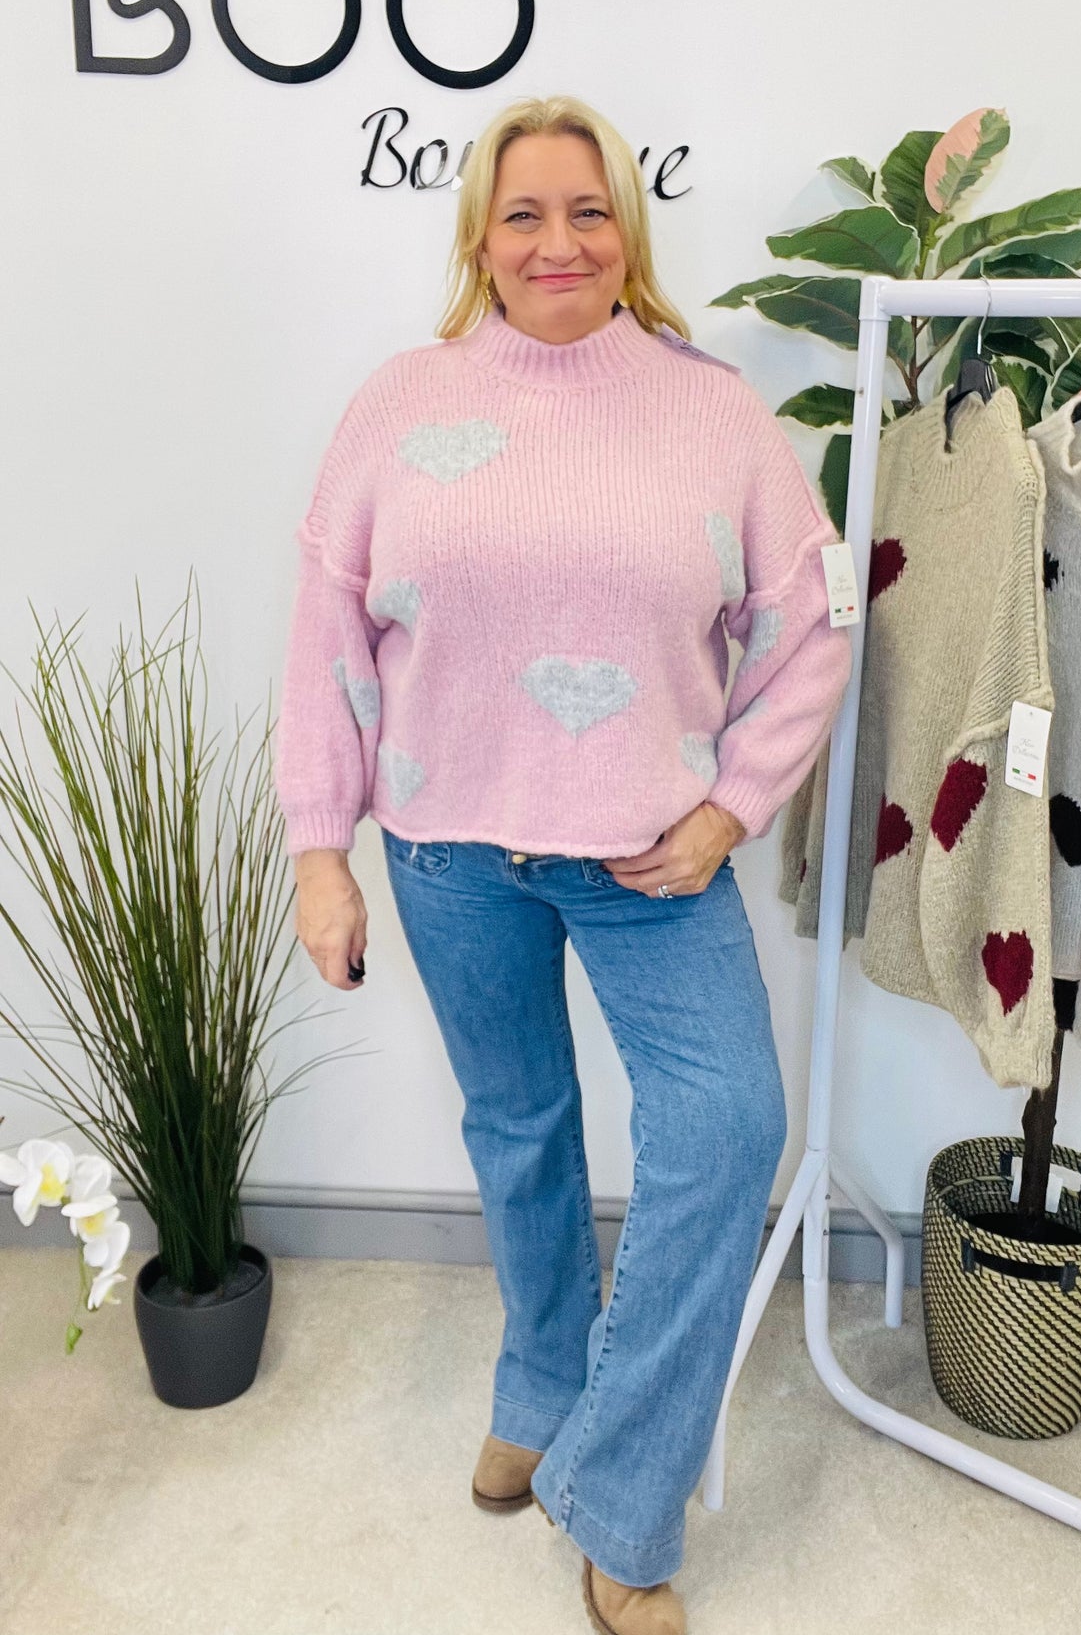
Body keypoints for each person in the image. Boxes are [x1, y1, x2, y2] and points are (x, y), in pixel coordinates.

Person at [273, 93, 853, 1635]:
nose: (558, 241)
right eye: (524, 213)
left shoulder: (712, 413)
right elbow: (329, 637)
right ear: (480, 236)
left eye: (588, 211)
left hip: (648, 857)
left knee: (725, 1126)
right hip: (445, 845)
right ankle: (539, 1378)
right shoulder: (398, 405)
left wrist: (731, 806)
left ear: (627, 232)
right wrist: (320, 850)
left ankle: (619, 1491)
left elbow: (808, 621)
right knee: (518, 1124)